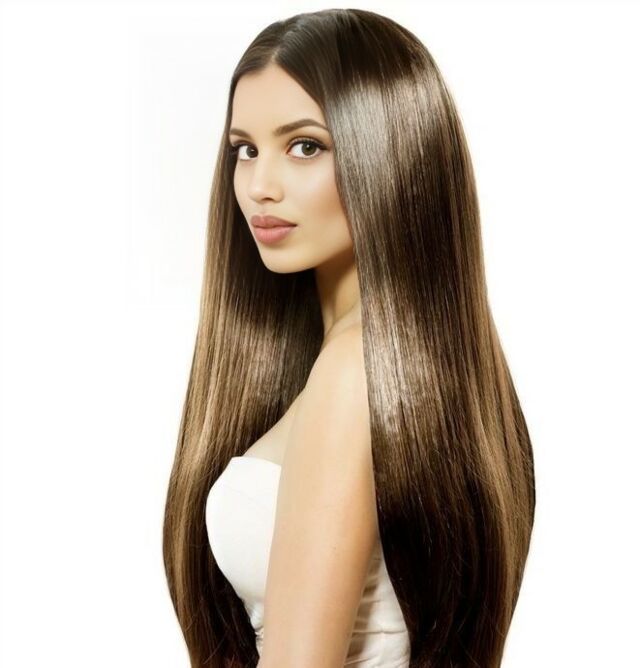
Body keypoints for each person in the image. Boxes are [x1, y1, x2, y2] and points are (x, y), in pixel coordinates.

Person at [163, 9, 536, 668]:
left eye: (305, 146)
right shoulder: (423, 366)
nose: (259, 186)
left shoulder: (351, 372)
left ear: (390, 153)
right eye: (245, 149)